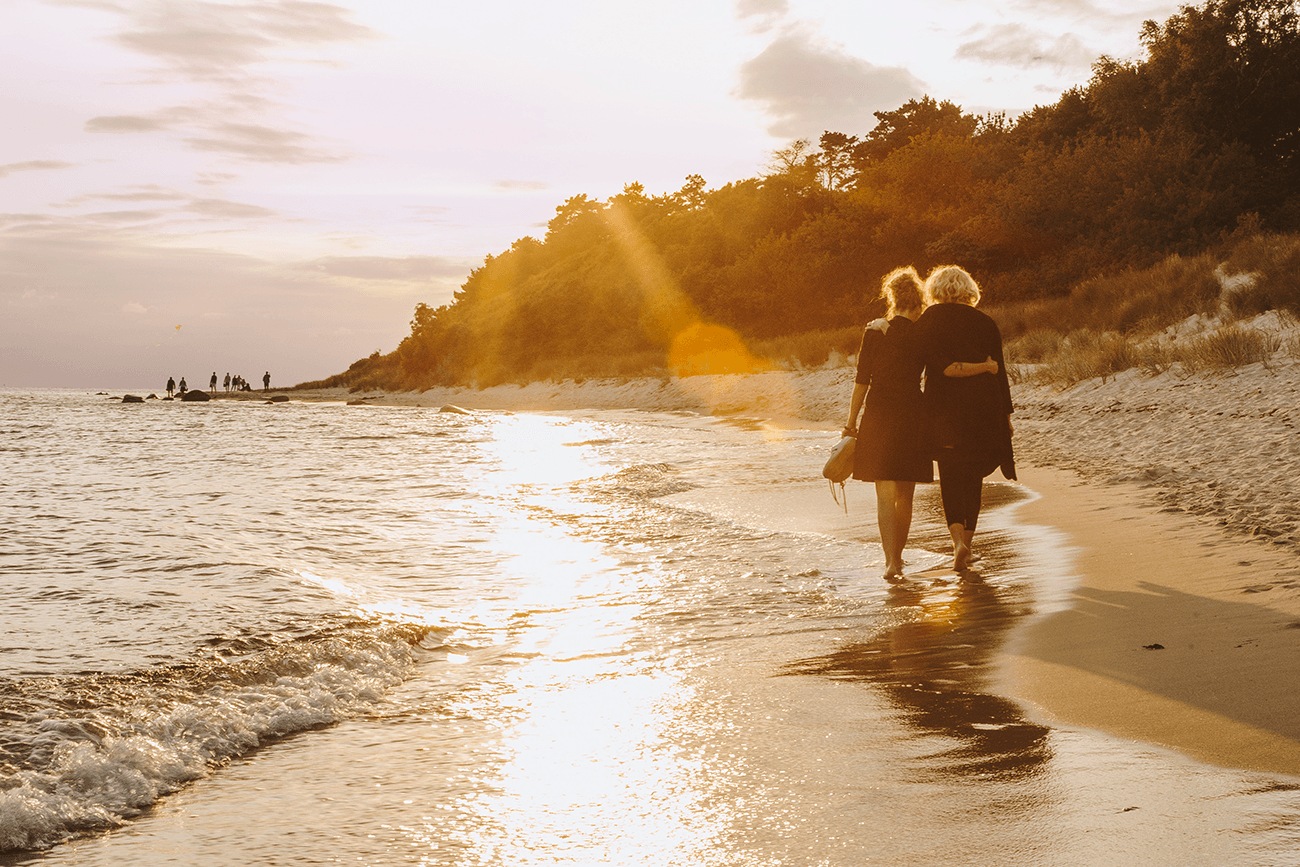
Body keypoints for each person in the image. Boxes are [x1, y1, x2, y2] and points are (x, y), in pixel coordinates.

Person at [912, 265, 1015, 572]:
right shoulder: (985, 322)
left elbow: (922, 362)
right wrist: (1006, 416)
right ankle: (967, 546)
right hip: (983, 409)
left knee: (950, 476)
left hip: (942, 411)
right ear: (969, 289)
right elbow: (1001, 372)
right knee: (973, 477)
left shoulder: (929, 320)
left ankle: (957, 542)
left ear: (937, 290)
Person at [842, 266, 933, 581]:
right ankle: (899, 557)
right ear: (918, 298)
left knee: (885, 494)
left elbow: (861, 381)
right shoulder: (923, 333)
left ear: (891, 297)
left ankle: (889, 563)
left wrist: (851, 422)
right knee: (905, 494)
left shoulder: (875, 331)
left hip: (879, 413)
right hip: (912, 412)